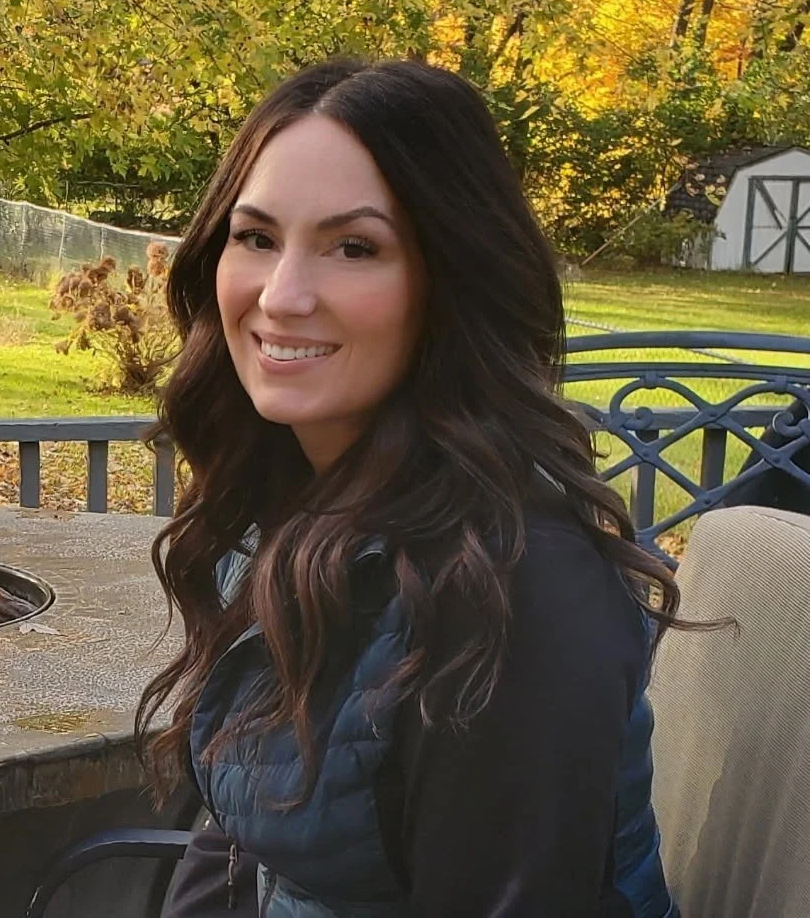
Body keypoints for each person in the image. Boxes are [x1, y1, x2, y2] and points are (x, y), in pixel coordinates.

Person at [138, 58, 681, 918]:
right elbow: (238, 838)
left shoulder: (512, 592)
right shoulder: (294, 498)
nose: (281, 296)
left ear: (449, 281)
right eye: (256, 237)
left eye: (354, 247)